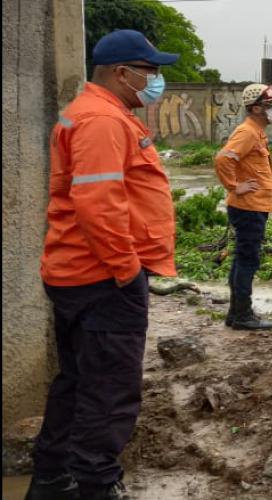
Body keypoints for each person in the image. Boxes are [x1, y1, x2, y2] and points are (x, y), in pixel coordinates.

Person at [28, 29, 180, 500]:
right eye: (150, 71)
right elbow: (98, 202)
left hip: (81, 274)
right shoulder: (101, 121)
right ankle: (94, 485)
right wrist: (126, 270)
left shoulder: (94, 114)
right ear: (122, 72)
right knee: (109, 392)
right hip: (102, 280)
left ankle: (53, 480)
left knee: (77, 381)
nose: (155, 80)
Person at [214, 83, 272, 331]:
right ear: (255, 108)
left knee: (243, 258)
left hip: (254, 206)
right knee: (248, 260)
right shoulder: (248, 132)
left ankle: (236, 313)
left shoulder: (257, 133)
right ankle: (242, 314)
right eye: (269, 106)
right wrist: (234, 186)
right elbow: (223, 158)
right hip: (248, 207)